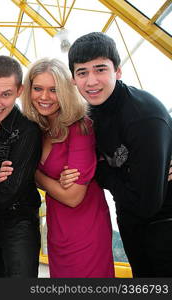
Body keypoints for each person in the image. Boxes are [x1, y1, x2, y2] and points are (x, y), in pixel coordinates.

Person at [65, 32, 172, 277]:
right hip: (131, 224)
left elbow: (147, 204)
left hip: (164, 224)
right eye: (82, 72)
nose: (91, 81)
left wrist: (101, 171)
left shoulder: (144, 117)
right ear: (73, 79)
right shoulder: (90, 112)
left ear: (118, 71)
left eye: (100, 69)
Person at [0, 58, 114, 277]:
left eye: (53, 90)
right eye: (38, 88)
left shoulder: (80, 127)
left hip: (86, 228)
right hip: (57, 227)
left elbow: (73, 196)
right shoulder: (38, 128)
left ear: (65, 90)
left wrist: (33, 173)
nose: (44, 97)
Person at [0, 55, 42, 277]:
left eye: (6, 95)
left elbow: (9, 192)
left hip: (18, 225)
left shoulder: (27, 129)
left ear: (20, 91)